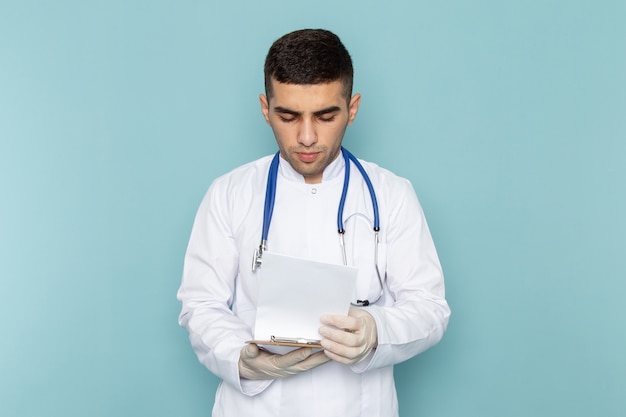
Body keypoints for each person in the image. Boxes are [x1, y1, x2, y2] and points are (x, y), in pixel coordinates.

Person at [177, 28, 450, 417]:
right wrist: (241, 358)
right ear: (265, 109)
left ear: (352, 109)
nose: (306, 137)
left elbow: (429, 307)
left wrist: (377, 331)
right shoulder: (229, 193)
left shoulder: (391, 194)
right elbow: (200, 304)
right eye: (288, 116)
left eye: (325, 116)